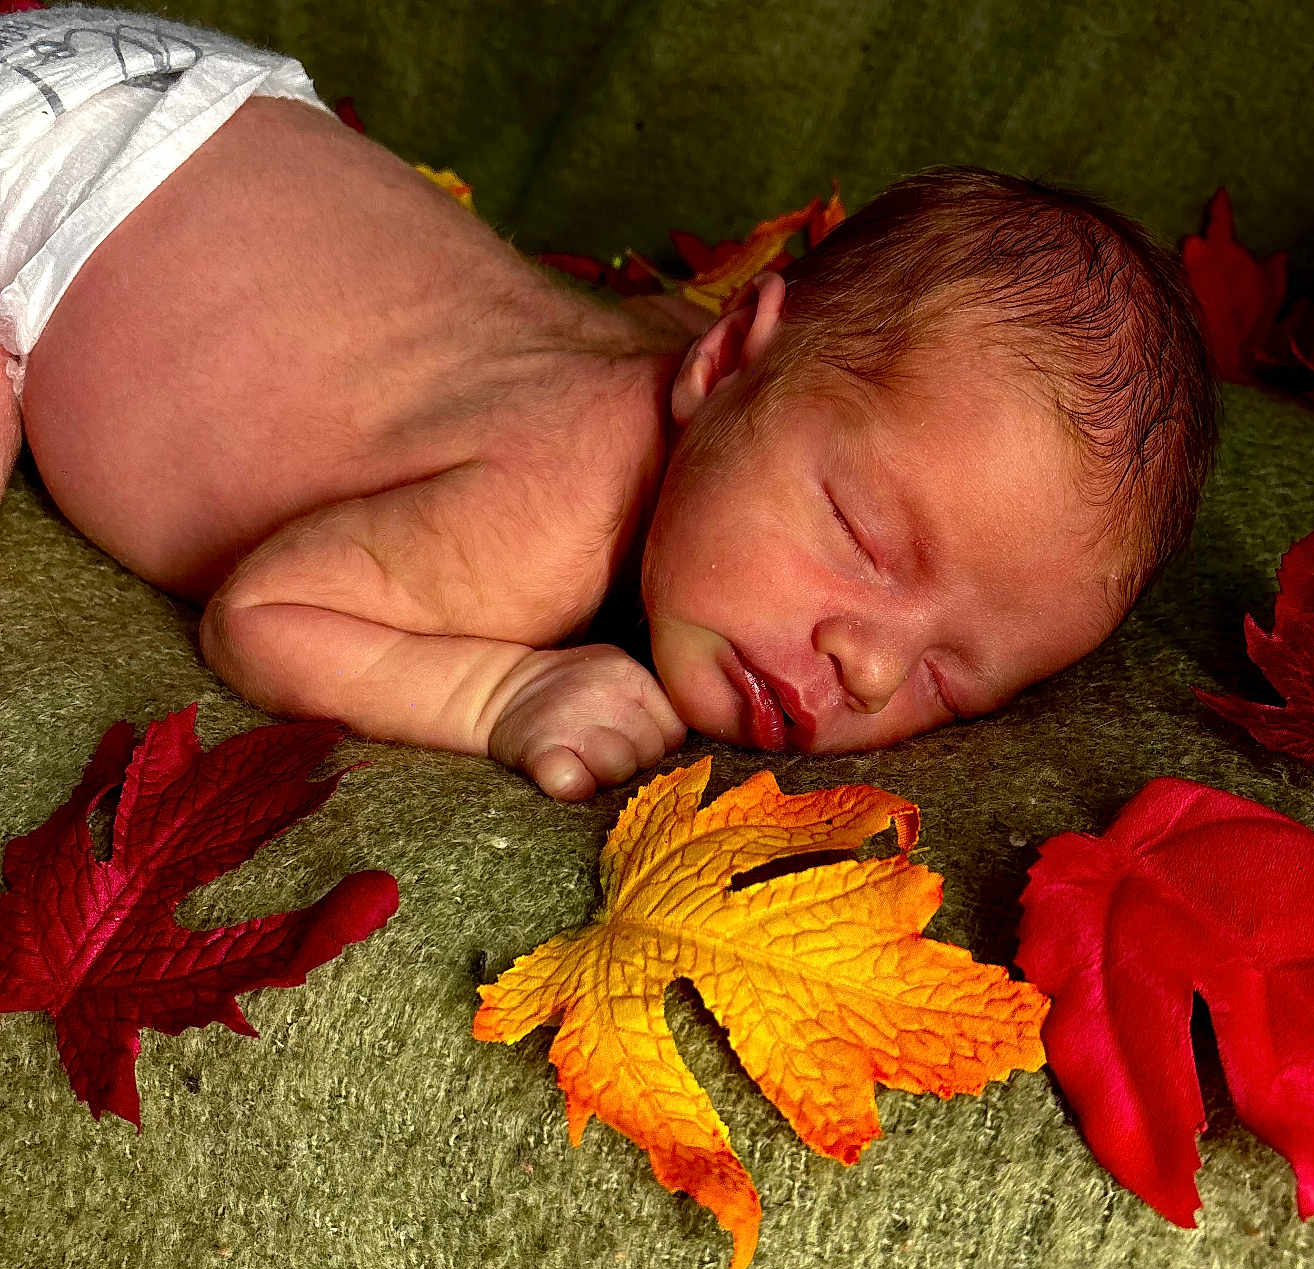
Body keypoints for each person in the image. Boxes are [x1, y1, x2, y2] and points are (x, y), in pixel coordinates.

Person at [0, 7, 1220, 800]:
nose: (864, 666)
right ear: (727, 355)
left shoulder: (713, 382)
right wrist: (502, 693)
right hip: (50, 170)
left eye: (955, 677)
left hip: (204, 107)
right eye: (859, 533)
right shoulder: (545, 524)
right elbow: (264, 615)